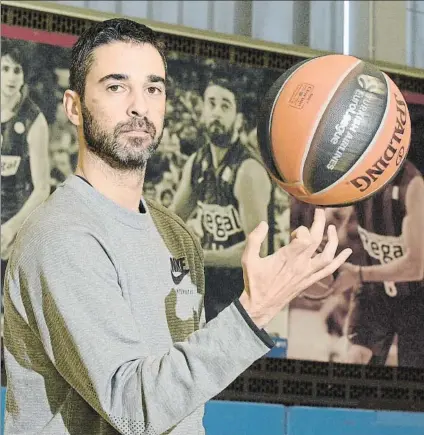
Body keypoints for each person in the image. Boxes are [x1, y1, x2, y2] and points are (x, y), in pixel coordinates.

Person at [3, 18, 351, 435]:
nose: (139, 106)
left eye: (153, 88)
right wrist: (255, 308)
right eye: (116, 86)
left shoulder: (174, 235)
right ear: (74, 107)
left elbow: (182, 400)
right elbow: (133, 407)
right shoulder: (60, 236)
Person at [170, 78, 273, 322]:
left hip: (241, 294)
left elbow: (257, 251)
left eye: (225, 106)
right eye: (211, 104)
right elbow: (172, 221)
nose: (216, 112)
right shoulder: (197, 162)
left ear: (238, 119)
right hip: (207, 287)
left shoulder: (247, 171)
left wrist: (200, 256)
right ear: (203, 111)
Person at [330, 159, 424, 367]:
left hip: (417, 297)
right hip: (375, 293)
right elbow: (333, 218)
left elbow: (416, 268)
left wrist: (358, 274)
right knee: (355, 361)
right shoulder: (353, 175)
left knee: (413, 379)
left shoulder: (412, 186)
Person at [1, 40, 51, 284]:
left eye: (17, 70)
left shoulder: (34, 120)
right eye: (5, 68)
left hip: (18, 220)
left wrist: (12, 228)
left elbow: (42, 188)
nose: (11, 77)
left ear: (24, 76)